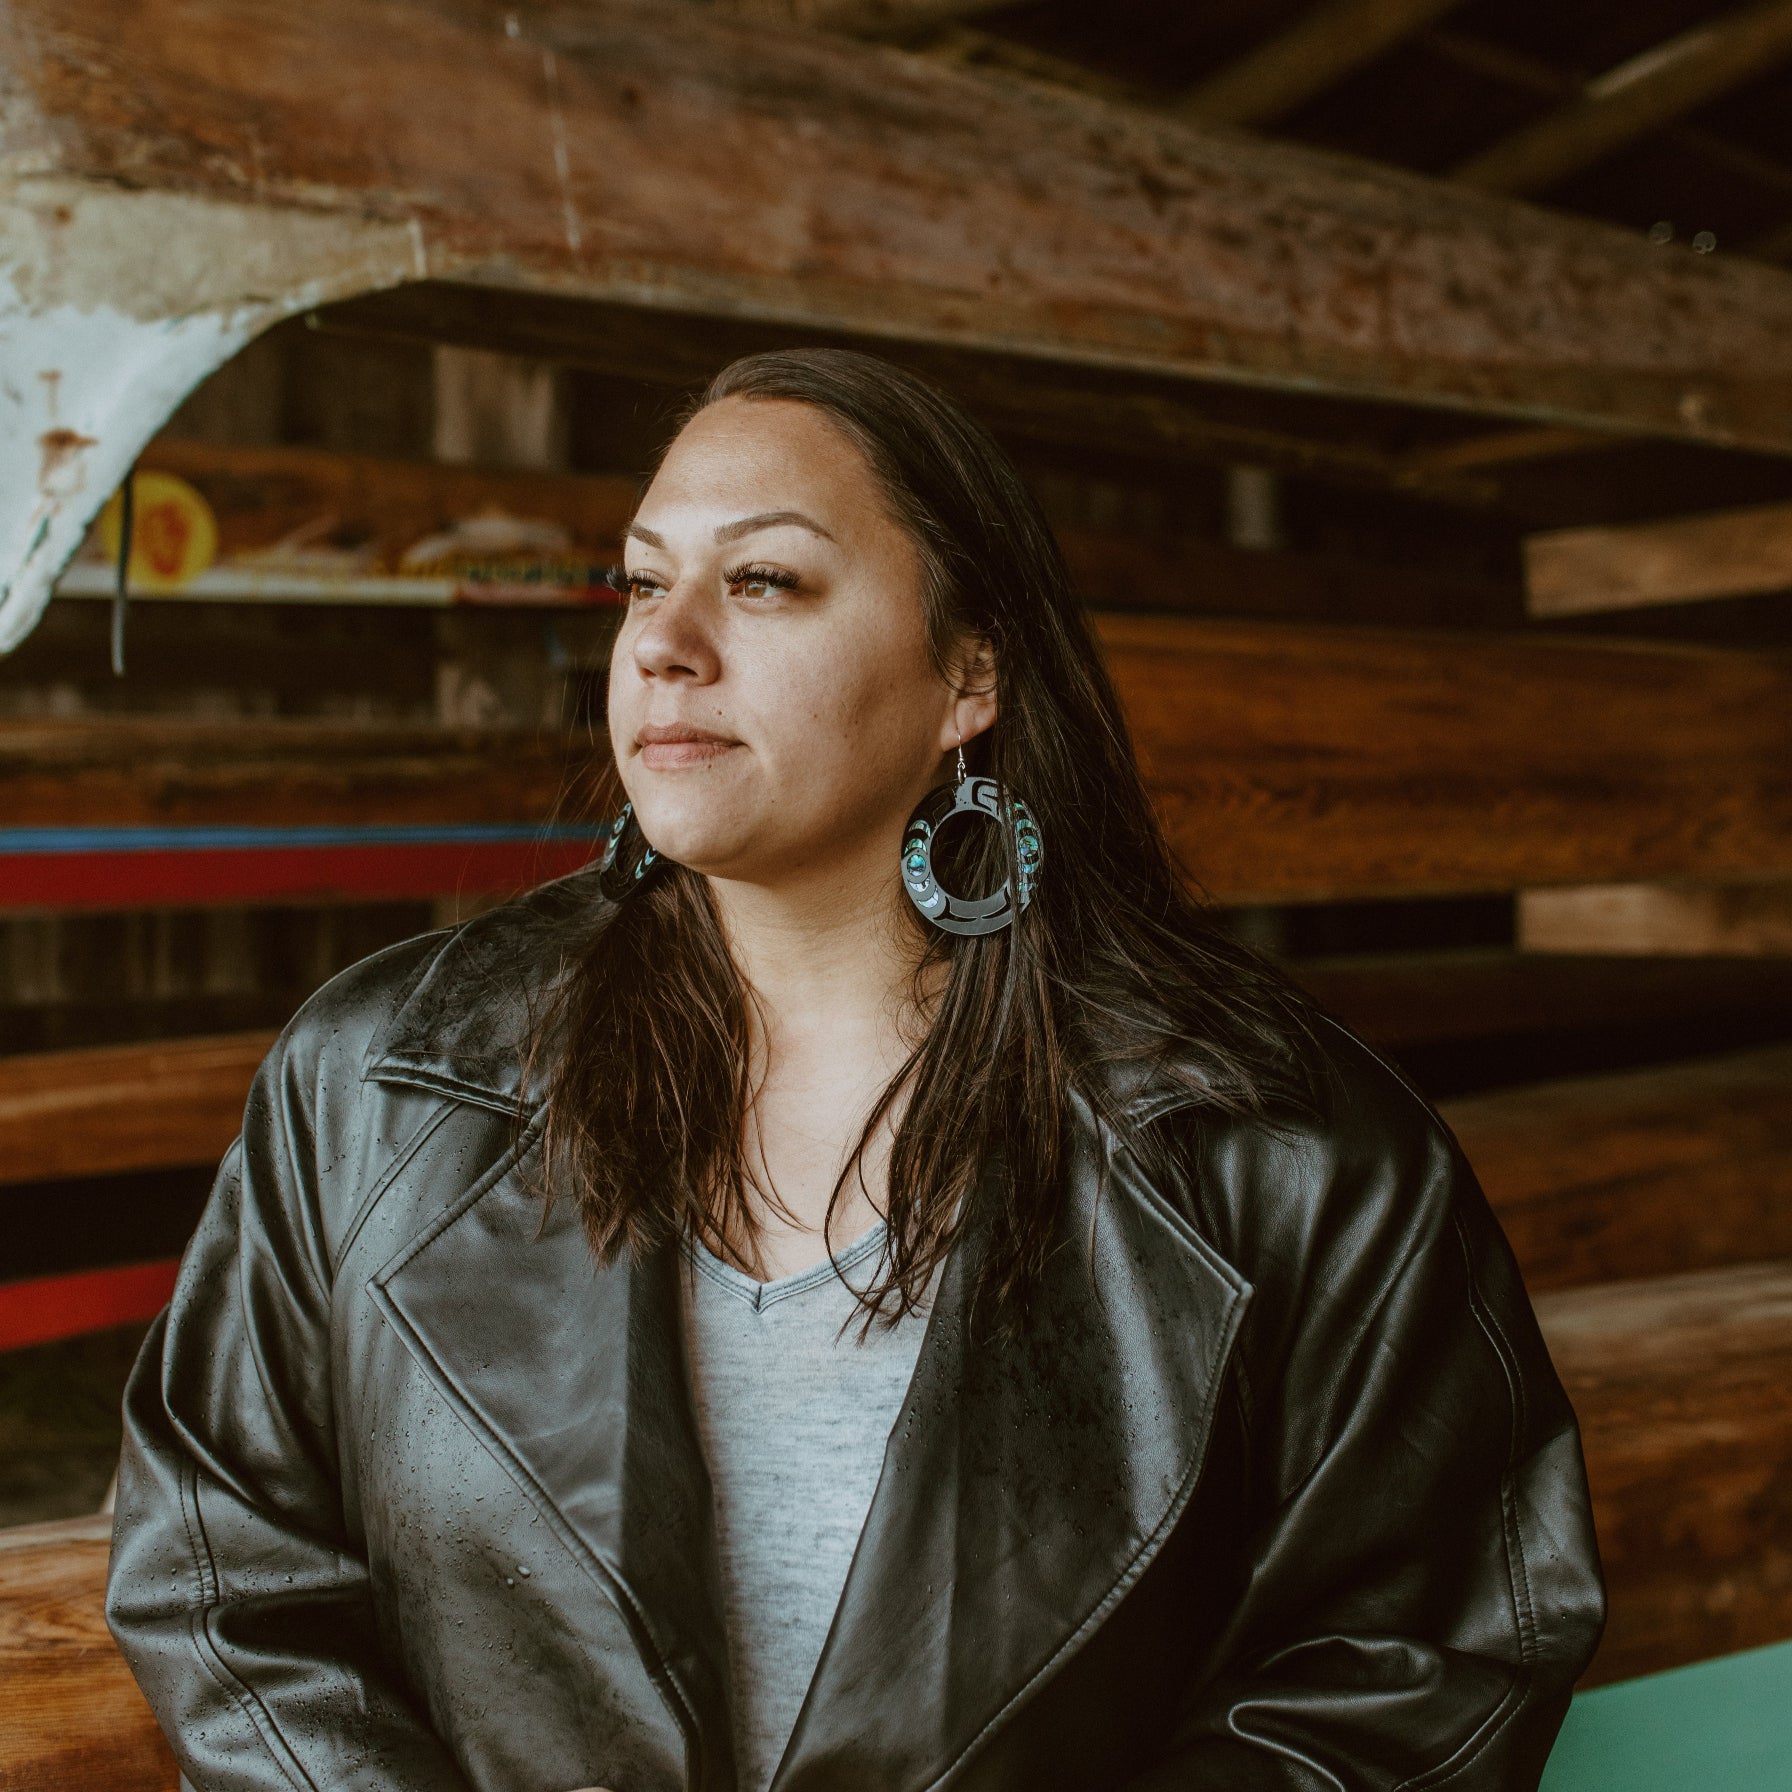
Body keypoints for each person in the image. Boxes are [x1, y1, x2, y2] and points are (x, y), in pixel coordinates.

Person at [107, 347, 1604, 1792]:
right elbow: (224, 1570)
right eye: (643, 579)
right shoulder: (379, 1085)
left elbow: (1423, 1666)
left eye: (762, 579)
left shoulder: (1284, 1152)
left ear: (971, 675)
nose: (663, 641)